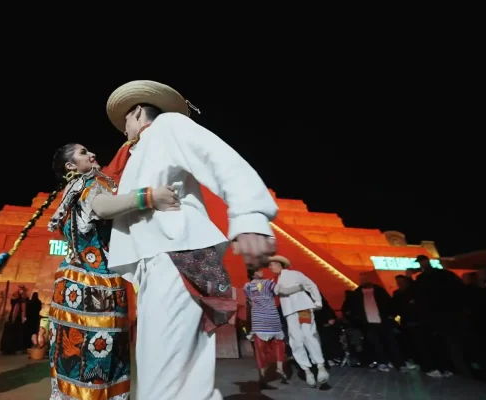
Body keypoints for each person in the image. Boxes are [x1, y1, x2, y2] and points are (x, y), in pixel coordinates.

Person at [103, 80, 279, 400]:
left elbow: (217, 157)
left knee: (162, 377)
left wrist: (250, 214)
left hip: (175, 254)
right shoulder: (134, 153)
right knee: (183, 377)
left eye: (126, 120)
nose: (123, 128)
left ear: (138, 111)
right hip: (157, 259)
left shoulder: (168, 125)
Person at [45, 142, 179, 400]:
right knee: (98, 355)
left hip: (74, 284)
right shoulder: (88, 183)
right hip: (94, 287)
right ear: (70, 166)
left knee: (76, 356)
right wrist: (149, 196)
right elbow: (103, 207)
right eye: (83, 153)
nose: (92, 153)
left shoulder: (72, 191)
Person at [268, 255, 329, 387]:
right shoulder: (274, 281)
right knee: (295, 340)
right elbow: (282, 291)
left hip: (303, 308)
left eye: (272, 264)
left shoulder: (295, 274)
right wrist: (297, 288)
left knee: (309, 335)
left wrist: (317, 301)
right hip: (289, 313)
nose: (270, 267)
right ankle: (307, 370)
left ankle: (320, 366)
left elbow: (311, 285)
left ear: (279, 265)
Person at [244, 269, 294, 385]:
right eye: (258, 270)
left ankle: (262, 373)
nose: (261, 271)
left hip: (258, 319)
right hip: (272, 317)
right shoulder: (268, 283)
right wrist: (298, 288)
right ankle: (279, 367)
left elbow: (250, 301)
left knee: (260, 348)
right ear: (253, 273)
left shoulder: (247, 286)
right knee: (278, 344)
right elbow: (281, 291)